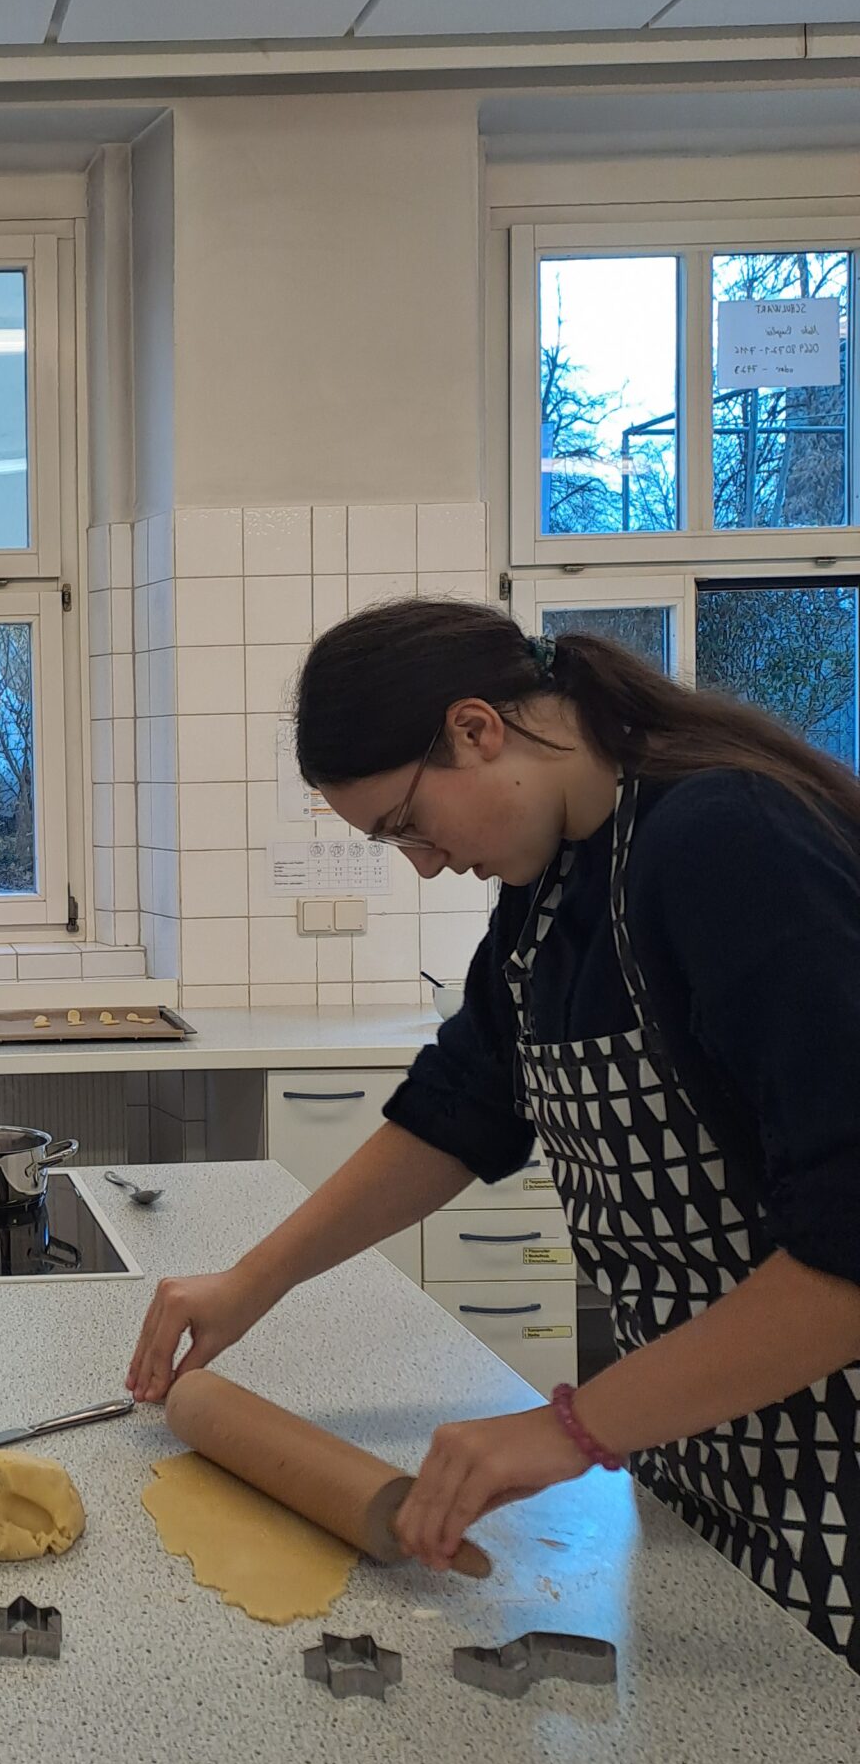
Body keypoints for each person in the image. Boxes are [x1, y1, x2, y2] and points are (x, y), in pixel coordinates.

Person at [127, 598, 860, 1669]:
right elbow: (462, 1107)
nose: (424, 864)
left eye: (407, 825)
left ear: (476, 729)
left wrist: (566, 1429)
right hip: (709, 1455)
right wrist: (253, 1281)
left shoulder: (724, 841)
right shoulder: (552, 887)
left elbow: (847, 1247)